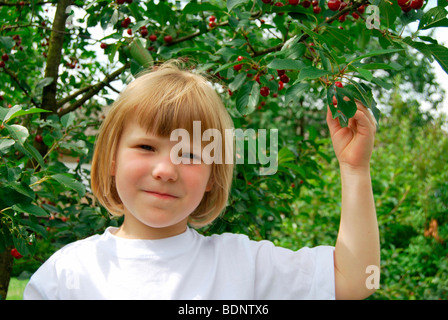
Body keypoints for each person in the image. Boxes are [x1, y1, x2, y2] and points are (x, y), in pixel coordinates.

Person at [23, 59, 379, 300]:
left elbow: (359, 280)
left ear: (212, 176)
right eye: (146, 146)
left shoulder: (243, 265)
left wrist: (354, 170)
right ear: (112, 158)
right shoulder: (67, 274)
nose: (165, 170)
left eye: (190, 155)